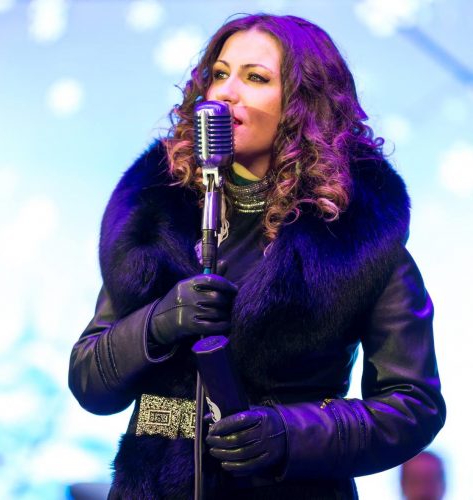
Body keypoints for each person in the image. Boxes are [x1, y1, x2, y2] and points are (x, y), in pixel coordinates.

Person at [68, 13, 446, 499]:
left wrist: (290, 434)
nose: (226, 93)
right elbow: (89, 382)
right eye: (219, 74)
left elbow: (412, 404)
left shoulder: (356, 237)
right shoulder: (157, 219)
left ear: (303, 103)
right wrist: (158, 323)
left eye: (256, 78)